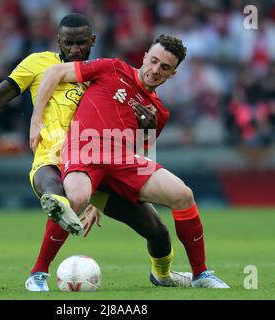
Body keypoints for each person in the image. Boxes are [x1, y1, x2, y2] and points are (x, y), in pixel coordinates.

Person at [0, 14, 191, 292]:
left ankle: (163, 275)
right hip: (51, 157)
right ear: (58, 41)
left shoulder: (103, 72)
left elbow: (126, 141)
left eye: (81, 44)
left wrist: (99, 195)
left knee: (158, 232)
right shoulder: (37, 64)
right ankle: (38, 274)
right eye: (69, 43)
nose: (75, 50)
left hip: (97, 164)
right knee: (57, 197)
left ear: (92, 41)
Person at [35, 34, 230, 288]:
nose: (156, 70)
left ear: (172, 74)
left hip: (122, 162)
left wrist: (146, 130)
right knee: (77, 199)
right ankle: (38, 273)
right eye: (154, 61)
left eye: (165, 68)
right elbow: (55, 72)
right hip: (85, 149)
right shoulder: (113, 68)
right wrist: (35, 119)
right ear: (145, 56)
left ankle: (201, 274)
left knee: (182, 196)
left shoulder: (157, 112)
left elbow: (139, 154)